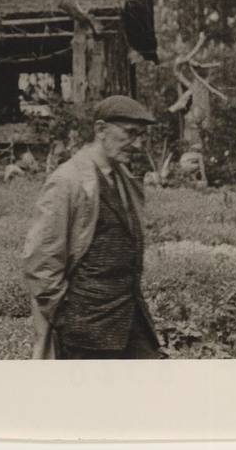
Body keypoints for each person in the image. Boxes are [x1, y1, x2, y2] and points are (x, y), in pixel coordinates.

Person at [22, 95, 162, 360]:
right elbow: (41, 261)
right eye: (131, 134)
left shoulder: (124, 179)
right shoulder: (68, 181)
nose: (138, 144)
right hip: (87, 329)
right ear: (100, 129)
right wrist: (66, 316)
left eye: (142, 135)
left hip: (129, 319)